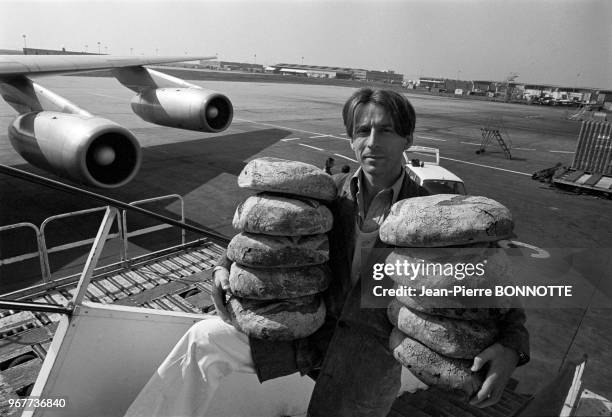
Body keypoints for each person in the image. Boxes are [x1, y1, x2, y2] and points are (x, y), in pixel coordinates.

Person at [125, 88, 529, 417]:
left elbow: (491, 284)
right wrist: (222, 267)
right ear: (350, 137)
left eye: (386, 131)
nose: (372, 143)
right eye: (362, 130)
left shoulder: (433, 215)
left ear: (408, 138)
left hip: (369, 354)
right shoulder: (324, 194)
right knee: (203, 340)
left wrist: (512, 346)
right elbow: (265, 233)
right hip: (305, 330)